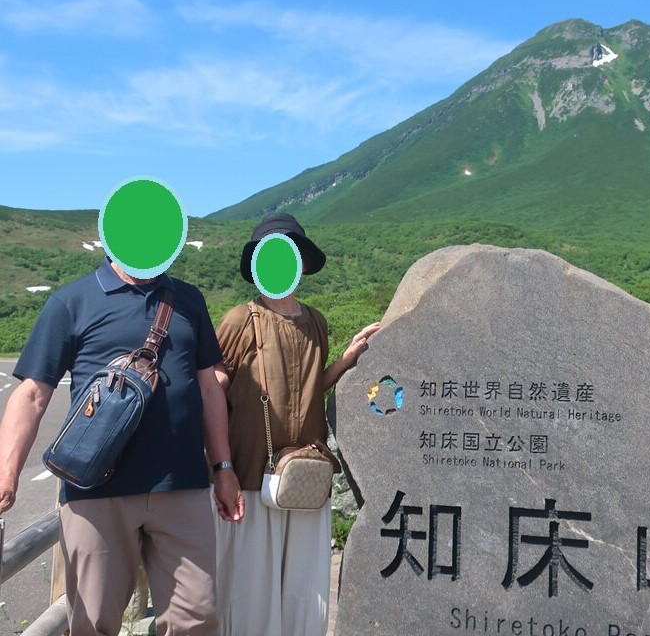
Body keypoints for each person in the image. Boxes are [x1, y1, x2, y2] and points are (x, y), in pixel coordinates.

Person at [0, 256, 243, 635]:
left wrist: (223, 468)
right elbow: (32, 393)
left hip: (183, 486)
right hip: (96, 492)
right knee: (94, 622)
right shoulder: (71, 301)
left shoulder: (189, 300)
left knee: (196, 618)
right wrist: (7, 471)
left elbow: (209, 388)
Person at [213, 213, 380, 636]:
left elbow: (308, 388)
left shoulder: (316, 322)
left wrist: (346, 360)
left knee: (304, 592)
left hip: (305, 474)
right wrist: (221, 467)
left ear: (301, 262)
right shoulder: (238, 320)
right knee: (250, 591)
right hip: (250, 478)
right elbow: (211, 394)